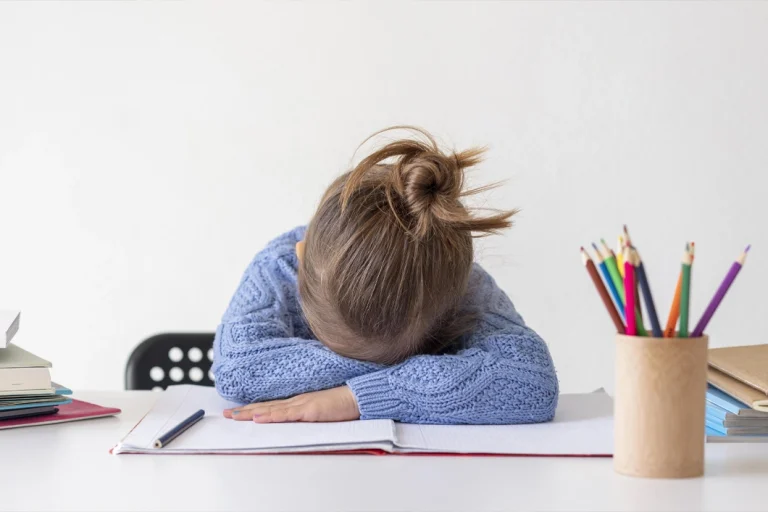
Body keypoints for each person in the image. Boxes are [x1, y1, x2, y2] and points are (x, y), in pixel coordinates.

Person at [213, 127, 558, 425]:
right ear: (302, 259)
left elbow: (532, 380)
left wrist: (354, 398)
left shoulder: (460, 283)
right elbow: (237, 370)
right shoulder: (282, 265)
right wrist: (422, 375)